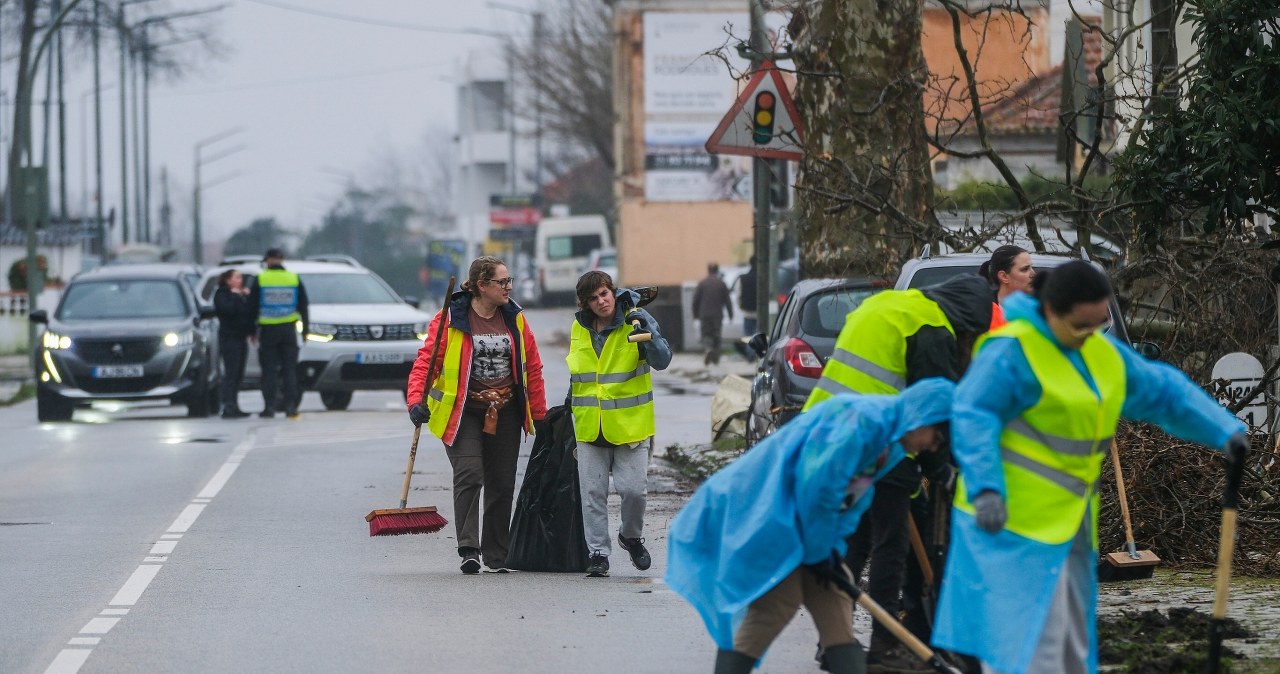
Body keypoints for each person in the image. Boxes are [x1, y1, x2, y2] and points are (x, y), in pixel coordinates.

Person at [932, 261, 1248, 674]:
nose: (1089, 335)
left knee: (1072, 642)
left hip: (1071, 521)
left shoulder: (1101, 353)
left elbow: (1163, 393)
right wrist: (986, 488)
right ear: (1051, 311)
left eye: (1098, 325)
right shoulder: (1011, 351)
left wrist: (1223, 430)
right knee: (1027, 643)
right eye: (1080, 326)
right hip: (1009, 522)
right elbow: (974, 417)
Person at [666, 378, 955, 674]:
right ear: (922, 418)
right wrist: (818, 553)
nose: (931, 447)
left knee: (836, 603)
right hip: (772, 516)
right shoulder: (863, 424)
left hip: (805, 529)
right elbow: (818, 489)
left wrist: (831, 551)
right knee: (777, 605)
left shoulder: (888, 444)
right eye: (936, 438)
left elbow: (852, 503)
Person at [803, 272, 992, 672]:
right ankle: (886, 645)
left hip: (832, 432)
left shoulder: (889, 303)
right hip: (880, 441)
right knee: (892, 541)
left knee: (858, 540)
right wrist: (941, 469)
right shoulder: (933, 328)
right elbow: (932, 409)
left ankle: (834, 641)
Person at [405, 256, 548, 575]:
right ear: (482, 285)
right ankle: (469, 548)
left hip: (506, 410)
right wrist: (415, 401)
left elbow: (533, 368)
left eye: (509, 281)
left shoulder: (515, 319)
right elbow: (426, 362)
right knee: (469, 472)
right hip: (463, 412)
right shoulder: (450, 318)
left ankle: (497, 555)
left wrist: (539, 414)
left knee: (501, 483)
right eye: (502, 282)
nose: (509, 287)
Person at [568, 271, 673, 578]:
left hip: (631, 425)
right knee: (593, 494)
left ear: (612, 292)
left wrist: (647, 334)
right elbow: (581, 373)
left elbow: (663, 361)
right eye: (593, 298)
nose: (601, 301)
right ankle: (598, 553)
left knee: (634, 491)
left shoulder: (636, 319)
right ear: (585, 303)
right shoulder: (579, 327)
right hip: (590, 425)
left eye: (604, 294)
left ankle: (631, 537)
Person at [250, 248, 309, 419]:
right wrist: (305, 330)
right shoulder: (293, 278)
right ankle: (290, 407)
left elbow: (252, 307)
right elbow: (303, 305)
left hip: (268, 330)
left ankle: (269, 407)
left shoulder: (261, 278)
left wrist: (251, 330)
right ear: (281, 260)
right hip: (288, 330)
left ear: (268, 260)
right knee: (290, 369)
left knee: (269, 371)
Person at [213, 269, 254, 419]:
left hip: (241, 337)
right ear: (228, 280)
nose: (240, 280)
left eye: (240, 278)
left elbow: (247, 314)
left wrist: (252, 331)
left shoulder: (241, 295)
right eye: (237, 278)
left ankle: (235, 404)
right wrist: (236, 296)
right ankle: (228, 405)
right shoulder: (222, 295)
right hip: (229, 338)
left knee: (238, 373)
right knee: (231, 372)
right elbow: (228, 311)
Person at [978, 245, 1035, 330]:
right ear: (1004, 276)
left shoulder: (1040, 306)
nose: (1033, 274)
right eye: (1025, 269)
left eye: (1031, 267)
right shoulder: (982, 311)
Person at [691, 262, 734, 366]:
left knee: (706, 334)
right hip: (717, 314)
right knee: (716, 335)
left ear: (708, 270)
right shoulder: (721, 283)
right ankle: (715, 358)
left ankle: (708, 348)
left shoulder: (702, 283)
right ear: (717, 271)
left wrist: (695, 314)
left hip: (704, 314)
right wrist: (730, 314)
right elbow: (727, 301)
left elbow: (695, 301)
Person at [737, 256, 758, 335]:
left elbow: (738, 295)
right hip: (763, 315)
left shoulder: (743, 278)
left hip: (748, 313)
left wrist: (742, 307)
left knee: (749, 337)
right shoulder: (766, 277)